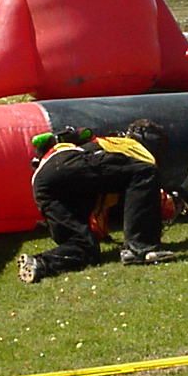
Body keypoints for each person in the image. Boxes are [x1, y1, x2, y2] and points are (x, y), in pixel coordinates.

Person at [18, 119, 175, 283]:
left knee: (85, 246)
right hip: (66, 162)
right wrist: (169, 205)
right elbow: (146, 180)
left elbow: (101, 200)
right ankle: (140, 249)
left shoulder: (105, 146)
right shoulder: (132, 147)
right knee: (146, 172)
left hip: (42, 183)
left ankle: (39, 264)